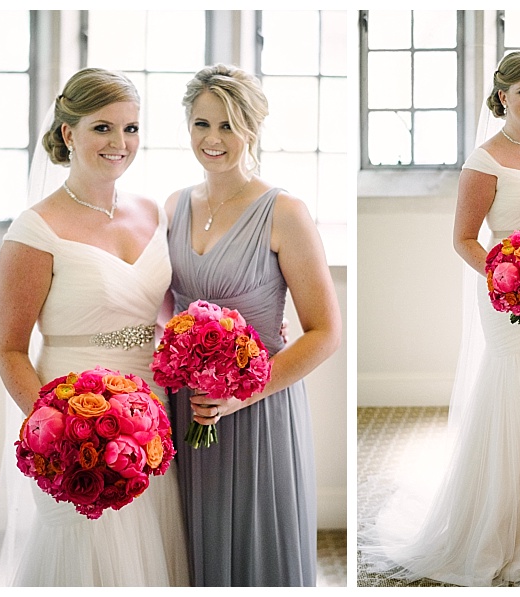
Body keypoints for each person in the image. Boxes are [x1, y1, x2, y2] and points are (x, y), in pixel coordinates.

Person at [358, 51, 520, 586]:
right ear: (502, 96)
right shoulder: (485, 159)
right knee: (517, 394)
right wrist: (508, 275)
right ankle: (506, 526)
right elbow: (465, 239)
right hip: (510, 296)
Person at [0, 67, 189, 586]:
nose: (120, 143)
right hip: (76, 421)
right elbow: (9, 350)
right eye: (103, 128)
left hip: (153, 411)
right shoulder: (35, 229)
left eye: (132, 128)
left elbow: (168, 311)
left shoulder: (152, 211)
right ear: (68, 133)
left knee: (153, 547)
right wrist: (59, 431)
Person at [163, 63, 342, 587]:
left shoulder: (285, 212)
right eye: (202, 124)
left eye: (228, 125)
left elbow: (325, 332)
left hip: (257, 407)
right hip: (186, 404)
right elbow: (163, 306)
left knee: (253, 547)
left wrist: (239, 396)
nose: (213, 139)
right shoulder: (174, 206)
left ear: (252, 128)